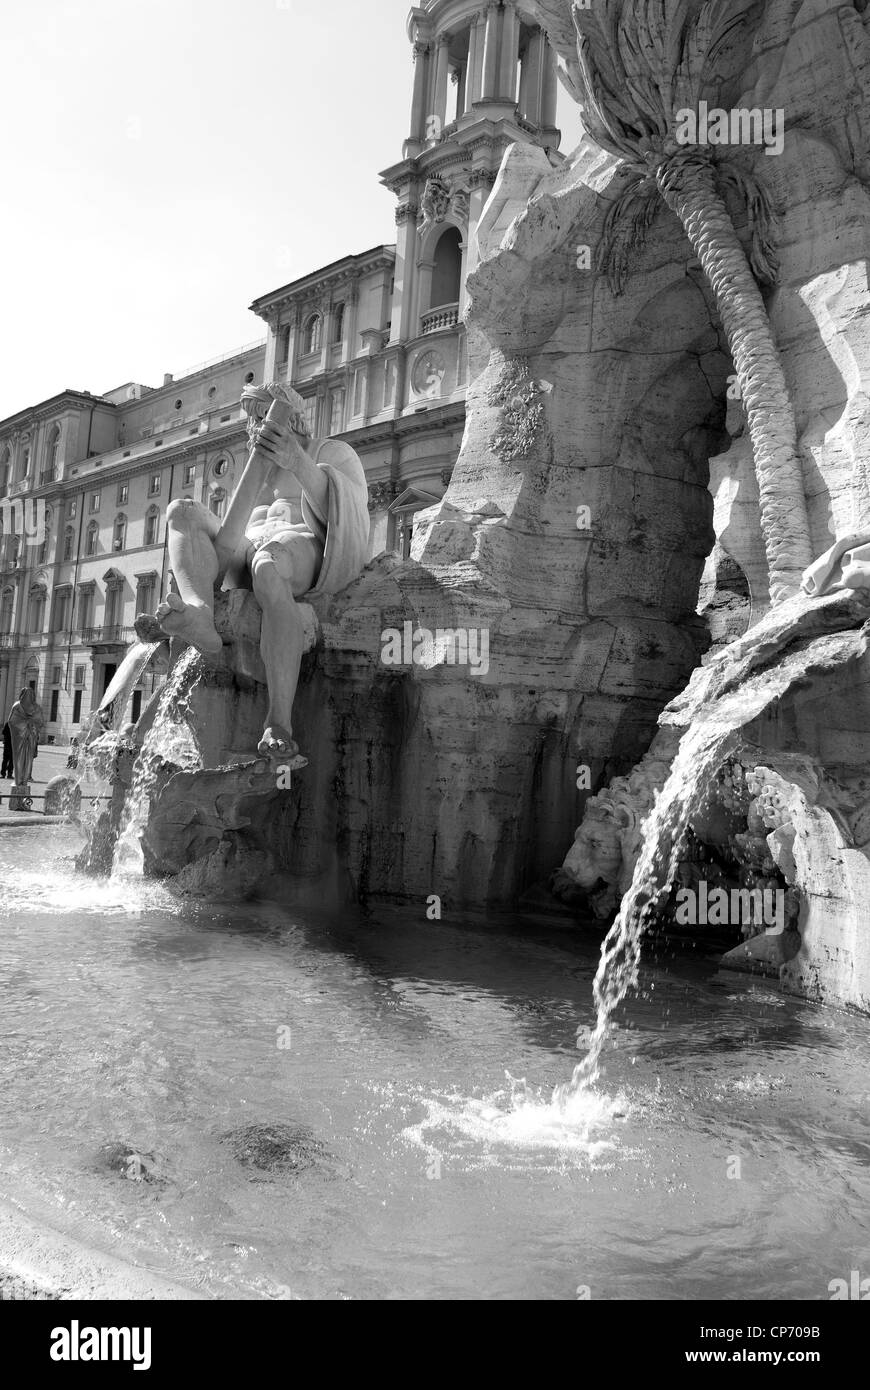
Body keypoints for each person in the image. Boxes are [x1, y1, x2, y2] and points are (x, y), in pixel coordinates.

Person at [136, 382, 370, 761]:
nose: (255, 426)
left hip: (302, 551)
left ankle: (279, 722)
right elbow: (230, 540)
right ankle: (199, 613)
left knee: (267, 565)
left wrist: (297, 460)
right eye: (252, 420)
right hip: (249, 553)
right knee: (180, 510)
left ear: (291, 419)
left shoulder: (332, 452)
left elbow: (351, 519)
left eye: (262, 416)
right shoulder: (256, 472)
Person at [8, 688, 44, 791]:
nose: (28, 697)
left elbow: (40, 722)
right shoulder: (17, 706)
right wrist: (25, 724)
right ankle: (18, 780)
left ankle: (24, 781)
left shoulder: (37, 708)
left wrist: (32, 725)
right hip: (19, 738)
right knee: (19, 759)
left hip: (30, 738)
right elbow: (11, 722)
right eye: (26, 694)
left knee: (28, 760)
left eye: (30, 694)